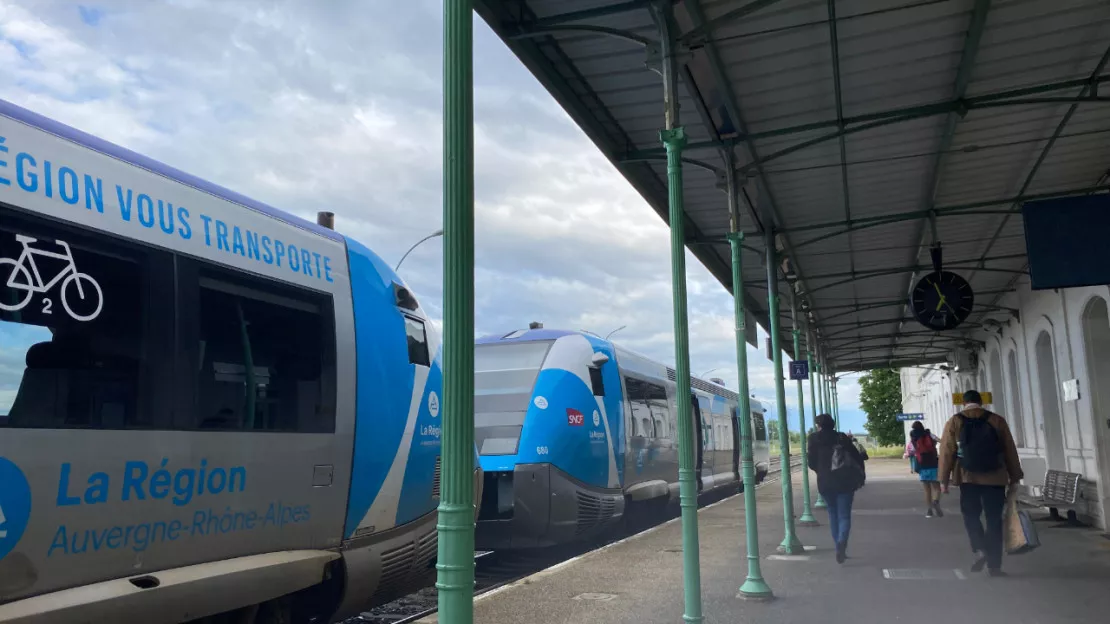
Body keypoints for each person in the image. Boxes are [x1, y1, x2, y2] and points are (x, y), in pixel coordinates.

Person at [939, 390, 1024, 577]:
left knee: (971, 515)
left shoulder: (955, 421)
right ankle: (995, 566)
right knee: (994, 520)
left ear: (964, 403)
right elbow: (1009, 449)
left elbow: (947, 452)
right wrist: (1015, 476)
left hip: (968, 478)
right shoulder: (997, 420)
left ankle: (979, 548)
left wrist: (944, 480)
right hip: (996, 477)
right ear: (981, 402)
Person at [808, 413, 865, 564]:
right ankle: (842, 544)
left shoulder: (814, 439)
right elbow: (856, 456)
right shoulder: (841, 437)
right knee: (844, 515)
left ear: (818, 425)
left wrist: (822, 470)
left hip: (825, 482)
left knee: (833, 514)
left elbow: (811, 462)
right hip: (845, 480)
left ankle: (838, 547)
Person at [909, 421, 943, 517]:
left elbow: (912, 450)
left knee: (927, 490)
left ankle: (929, 510)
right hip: (933, 463)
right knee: (936, 487)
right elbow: (941, 441)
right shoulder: (928, 434)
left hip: (922, 465)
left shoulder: (913, 438)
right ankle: (936, 501)